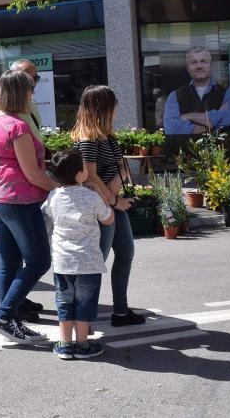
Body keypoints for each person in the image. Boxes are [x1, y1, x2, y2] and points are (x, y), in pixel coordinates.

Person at [0, 70, 57, 343]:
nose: (32, 94)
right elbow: (34, 175)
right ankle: (4, 316)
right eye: (29, 89)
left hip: (0, 198)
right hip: (20, 200)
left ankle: (10, 320)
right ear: (20, 93)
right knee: (38, 260)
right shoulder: (18, 127)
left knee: (9, 263)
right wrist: (61, 187)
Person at [71, 85, 146, 327]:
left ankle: (121, 312)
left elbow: (120, 165)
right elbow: (90, 178)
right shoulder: (88, 139)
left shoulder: (108, 136)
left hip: (112, 204)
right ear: (103, 107)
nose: (116, 107)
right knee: (96, 262)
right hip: (100, 208)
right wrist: (114, 200)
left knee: (126, 253)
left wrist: (117, 180)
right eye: (114, 103)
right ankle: (82, 319)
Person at [42, 150, 114, 360]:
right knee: (85, 303)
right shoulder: (91, 197)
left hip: (63, 262)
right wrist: (100, 195)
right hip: (89, 262)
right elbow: (108, 219)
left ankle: (64, 345)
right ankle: (82, 345)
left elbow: (46, 213)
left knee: (64, 301)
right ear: (80, 174)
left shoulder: (54, 196)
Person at [163, 47, 230, 135]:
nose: (199, 66)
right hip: (186, 148)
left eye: (203, 61)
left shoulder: (228, 94)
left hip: (221, 148)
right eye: (194, 62)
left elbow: (228, 121)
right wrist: (214, 121)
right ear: (187, 68)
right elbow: (172, 129)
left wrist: (190, 116)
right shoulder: (175, 96)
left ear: (211, 65)